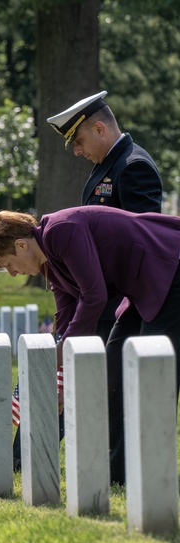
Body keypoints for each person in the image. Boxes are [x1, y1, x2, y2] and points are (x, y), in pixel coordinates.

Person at [13, 91, 167, 474]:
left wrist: (103, 305)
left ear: (100, 128)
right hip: (99, 299)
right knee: (88, 379)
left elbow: (142, 242)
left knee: (110, 381)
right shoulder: (105, 168)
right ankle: (22, 456)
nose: (77, 152)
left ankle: (118, 466)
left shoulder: (134, 167)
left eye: (79, 141)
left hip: (122, 300)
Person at [0, 207, 180, 485]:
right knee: (112, 372)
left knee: (153, 379)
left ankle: (156, 470)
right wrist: (59, 377)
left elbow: (94, 295)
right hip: (140, 288)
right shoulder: (50, 263)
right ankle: (118, 472)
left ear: (21, 245)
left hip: (169, 268)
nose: (13, 274)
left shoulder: (61, 231)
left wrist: (62, 353)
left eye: (8, 265)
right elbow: (65, 315)